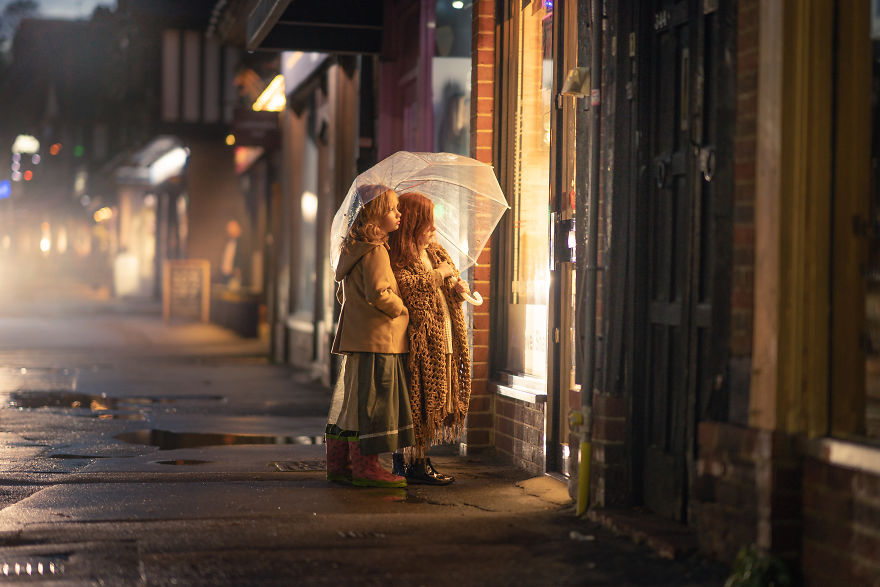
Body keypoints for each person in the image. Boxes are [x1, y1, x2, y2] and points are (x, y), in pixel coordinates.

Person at [326, 185, 414, 488]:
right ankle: (368, 469)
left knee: (353, 402)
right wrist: (402, 308)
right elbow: (379, 293)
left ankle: (341, 464)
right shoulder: (376, 251)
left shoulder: (353, 249)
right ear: (376, 215)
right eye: (392, 209)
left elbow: (345, 295)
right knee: (374, 404)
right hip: (379, 340)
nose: (399, 214)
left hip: (358, 338)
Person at [388, 192, 472, 485]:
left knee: (434, 402)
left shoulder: (434, 252)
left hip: (444, 337)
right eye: (428, 221)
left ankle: (419, 460)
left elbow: (443, 290)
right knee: (418, 402)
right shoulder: (398, 257)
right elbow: (411, 293)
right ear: (415, 222)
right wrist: (439, 275)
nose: (434, 228)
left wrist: (457, 288)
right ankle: (412, 463)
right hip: (420, 342)